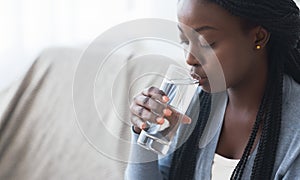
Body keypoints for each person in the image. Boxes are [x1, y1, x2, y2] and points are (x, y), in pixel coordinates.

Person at [125, 0, 300, 179]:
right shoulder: (200, 105)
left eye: (206, 43)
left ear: (258, 37)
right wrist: (143, 133)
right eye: (185, 41)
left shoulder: (295, 134)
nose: (189, 58)